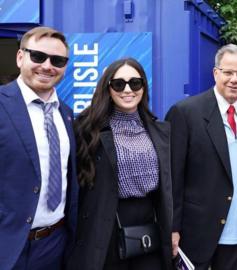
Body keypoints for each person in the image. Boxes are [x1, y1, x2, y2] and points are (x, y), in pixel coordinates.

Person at [67, 58, 173, 270]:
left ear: (143, 86)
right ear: (108, 88)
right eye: (119, 84)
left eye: (135, 83)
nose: (127, 90)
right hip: (105, 222)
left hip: (149, 222)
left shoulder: (160, 130)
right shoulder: (88, 129)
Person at [165, 44, 237, 270]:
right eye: (228, 72)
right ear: (216, 73)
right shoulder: (185, 112)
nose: (234, 79)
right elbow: (172, 176)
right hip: (195, 235)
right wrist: (171, 228)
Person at [0, 26, 79, 269]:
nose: (47, 66)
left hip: (55, 244)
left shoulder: (66, 114)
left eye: (57, 60)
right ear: (20, 57)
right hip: (7, 245)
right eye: (38, 56)